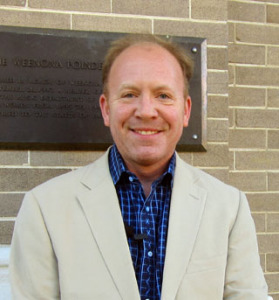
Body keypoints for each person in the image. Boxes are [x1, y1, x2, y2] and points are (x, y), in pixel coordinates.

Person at [10, 34, 268, 299]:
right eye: (129, 94)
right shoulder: (44, 209)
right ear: (106, 109)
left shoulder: (228, 207)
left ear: (186, 111)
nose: (146, 111)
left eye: (164, 95)